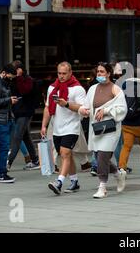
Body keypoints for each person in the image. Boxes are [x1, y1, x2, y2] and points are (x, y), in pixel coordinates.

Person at [79, 62, 127, 199]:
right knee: (100, 157)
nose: (99, 74)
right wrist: (83, 110)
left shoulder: (116, 89)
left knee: (102, 157)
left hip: (111, 129)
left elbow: (122, 109)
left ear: (108, 73)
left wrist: (106, 110)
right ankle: (118, 174)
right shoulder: (93, 89)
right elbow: (87, 106)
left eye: (101, 72)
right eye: (98, 72)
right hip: (97, 128)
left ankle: (102, 187)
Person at [41, 62, 86, 195]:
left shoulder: (77, 89)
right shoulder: (52, 88)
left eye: (64, 73)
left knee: (65, 153)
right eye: (59, 73)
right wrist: (44, 125)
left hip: (72, 127)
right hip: (57, 128)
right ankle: (75, 181)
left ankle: (59, 182)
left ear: (70, 73)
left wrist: (66, 104)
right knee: (66, 155)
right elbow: (48, 108)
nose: (61, 76)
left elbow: (83, 109)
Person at [7, 61, 40, 170]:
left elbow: (24, 91)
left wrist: (19, 77)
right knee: (25, 136)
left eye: (15, 69)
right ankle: (35, 160)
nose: (13, 72)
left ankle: (8, 162)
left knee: (17, 136)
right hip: (18, 112)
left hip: (26, 112)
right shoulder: (13, 80)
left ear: (21, 69)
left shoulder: (27, 80)